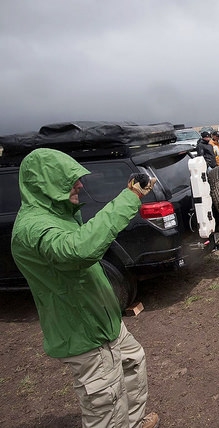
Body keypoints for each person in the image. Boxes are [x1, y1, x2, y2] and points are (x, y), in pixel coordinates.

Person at [10, 148, 159, 428]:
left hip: (104, 320)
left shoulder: (57, 215)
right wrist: (129, 198)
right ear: (46, 185)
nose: (79, 184)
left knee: (132, 363)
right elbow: (80, 250)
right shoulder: (33, 229)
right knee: (105, 404)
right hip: (85, 331)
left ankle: (135, 423)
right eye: (70, 180)